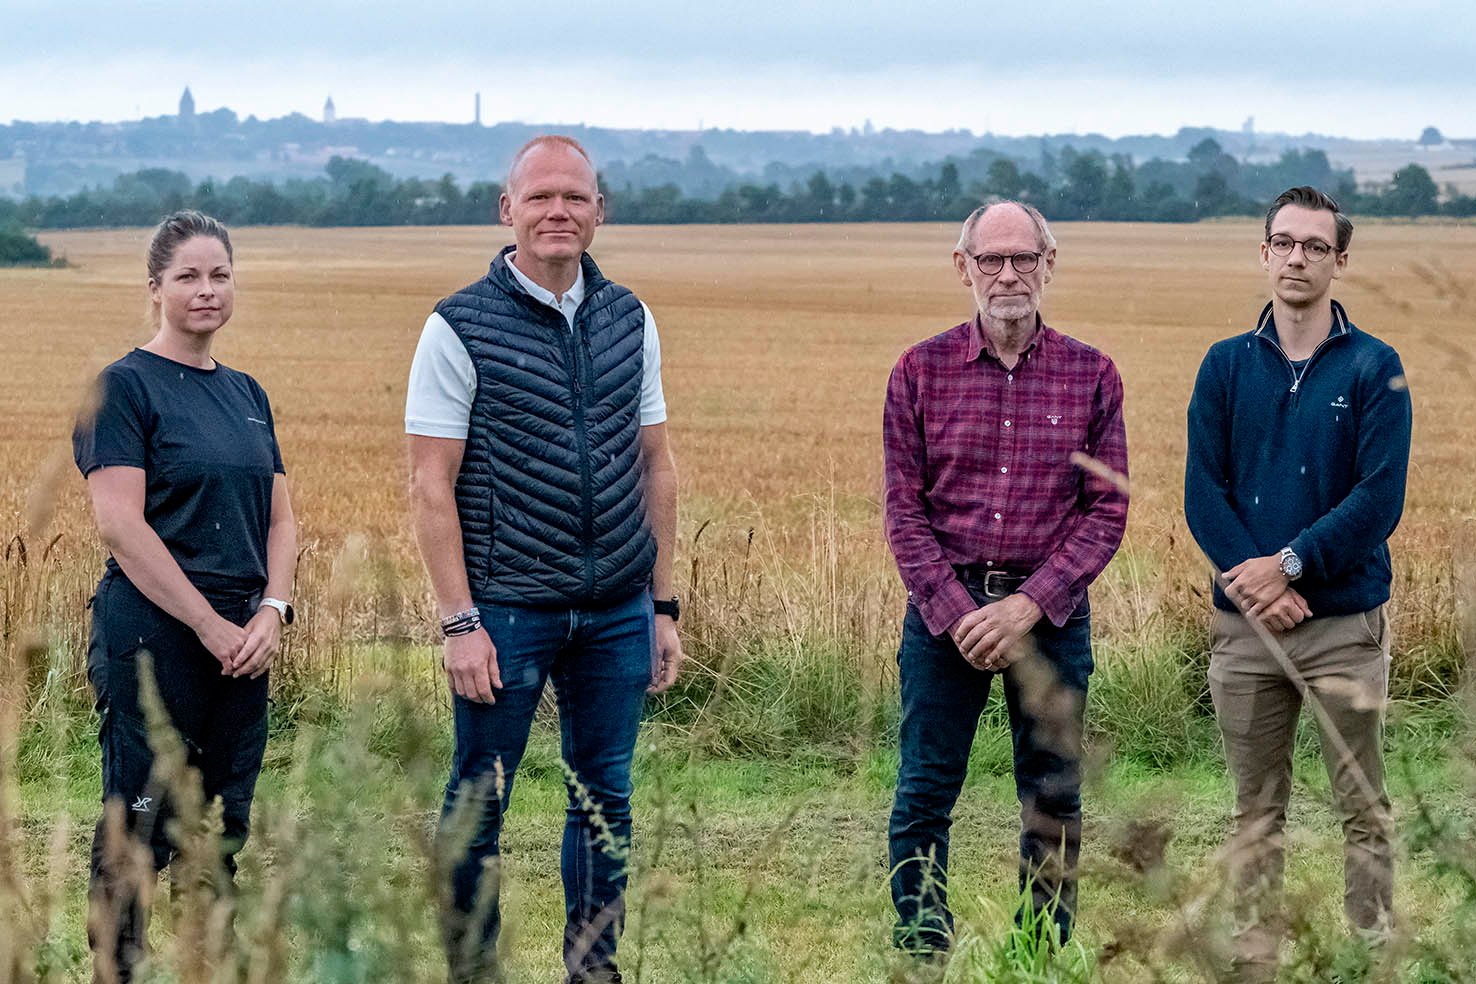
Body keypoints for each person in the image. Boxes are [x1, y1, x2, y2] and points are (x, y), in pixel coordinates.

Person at [406, 134, 684, 984]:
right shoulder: (457, 327)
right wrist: (461, 622)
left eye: (575, 197)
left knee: (605, 801)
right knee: (479, 800)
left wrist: (662, 606)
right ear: (508, 210)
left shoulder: (629, 318)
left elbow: (657, 463)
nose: (558, 212)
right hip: (507, 611)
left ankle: (593, 971)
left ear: (600, 210)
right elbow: (429, 485)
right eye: (540, 198)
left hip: (614, 610)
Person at [881, 200, 1129, 955]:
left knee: (1053, 791)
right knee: (925, 790)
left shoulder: (1092, 375)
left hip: (1049, 619)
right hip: (942, 614)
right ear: (965, 268)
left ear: (1049, 266)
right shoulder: (918, 373)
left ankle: (1041, 947)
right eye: (992, 259)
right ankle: (923, 941)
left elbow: (1106, 513)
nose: (1009, 274)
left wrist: (1025, 606)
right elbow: (902, 510)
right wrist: (960, 613)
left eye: (1025, 258)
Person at [1185, 186, 1411, 979]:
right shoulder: (1224, 366)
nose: (1298, 258)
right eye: (1284, 242)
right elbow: (1201, 496)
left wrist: (1289, 564)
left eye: (1316, 246)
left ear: (1340, 261)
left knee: (1362, 803)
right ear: (1263, 252)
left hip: (1342, 626)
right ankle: (1257, 957)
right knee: (1255, 809)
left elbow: (1379, 499)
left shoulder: (1377, 367)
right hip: (1246, 633)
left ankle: (1372, 948)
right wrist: (1258, 588)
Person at [73, 210, 297, 982]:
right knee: (141, 816)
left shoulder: (246, 392)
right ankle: (120, 969)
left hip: (244, 639)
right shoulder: (123, 388)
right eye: (189, 277)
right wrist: (206, 624)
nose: (207, 291)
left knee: (223, 818)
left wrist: (272, 611)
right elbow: (120, 526)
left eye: (220, 275)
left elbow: (281, 517)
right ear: (156, 289)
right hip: (155, 636)